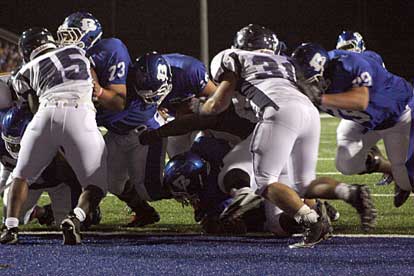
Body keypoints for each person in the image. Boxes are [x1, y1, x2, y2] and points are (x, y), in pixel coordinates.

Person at [195, 24, 377, 247]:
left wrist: (201, 109)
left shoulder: (232, 56)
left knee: (264, 182)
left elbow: (218, 104)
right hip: (310, 113)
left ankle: (313, 221)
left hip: (278, 111)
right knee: (304, 184)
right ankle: (349, 192)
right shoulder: (287, 60)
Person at [0, 27, 107, 245]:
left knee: (21, 175)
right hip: (81, 113)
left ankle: (10, 227)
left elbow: (32, 106)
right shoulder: (79, 52)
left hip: (46, 113)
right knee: (96, 184)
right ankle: (75, 218)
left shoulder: (25, 70)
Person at [57, 12, 163, 227]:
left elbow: (117, 101)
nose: (66, 42)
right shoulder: (71, 60)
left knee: (150, 189)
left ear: (89, 36)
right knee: (110, 181)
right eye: (64, 36)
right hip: (116, 131)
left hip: (142, 129)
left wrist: (95, 89)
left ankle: (205, 197)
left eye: (73, 35)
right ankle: (145, 213)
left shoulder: (110, 48)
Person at [291, 42, 414, 208]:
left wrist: (320, 98)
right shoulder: (303, 75)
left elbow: (361, 101)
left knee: (407, 180)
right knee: (346, 163)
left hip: (399, 114)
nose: (308, 84)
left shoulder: (348, 64)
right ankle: (386, 167)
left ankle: (401, 177)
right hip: (363, 120)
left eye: (311, 80)